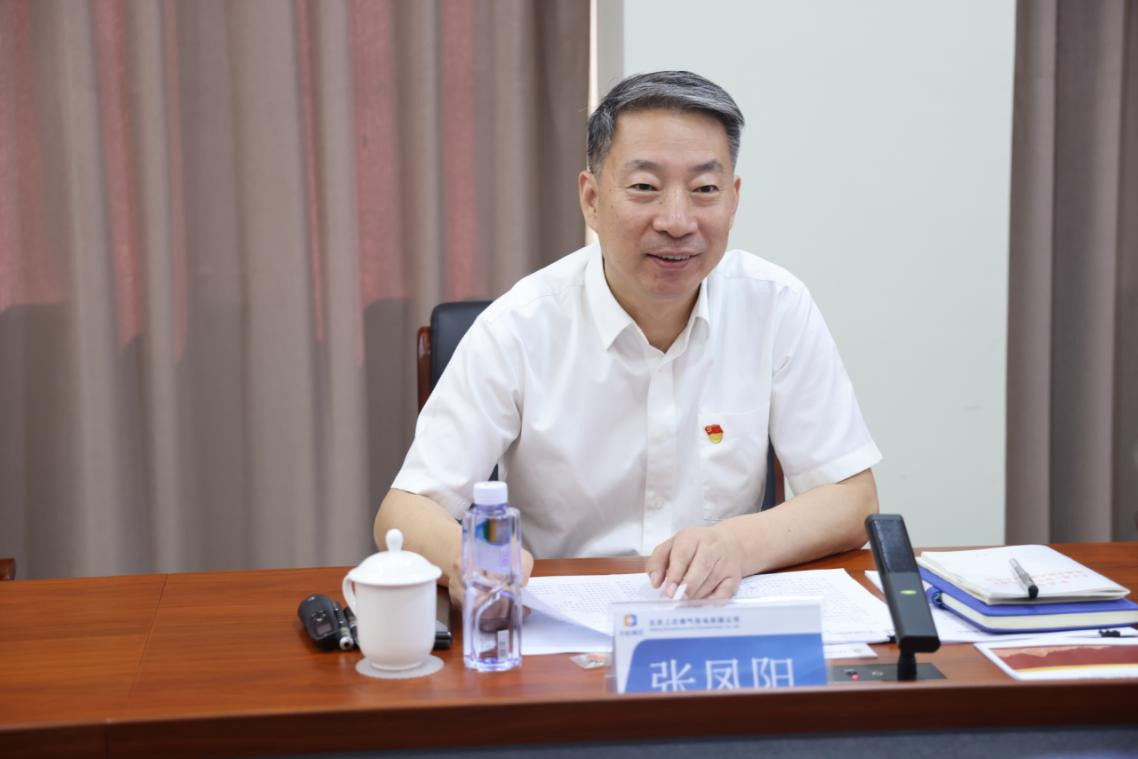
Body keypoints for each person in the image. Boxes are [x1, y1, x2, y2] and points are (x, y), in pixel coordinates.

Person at [374, 70, 881, 604]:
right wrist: (472, 560)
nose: (677, 221)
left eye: (704, 190)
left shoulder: (775, 305)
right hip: (566, 627)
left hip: (718, 619)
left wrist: (737, 544)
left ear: (733, 200)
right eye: (644, 188)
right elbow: (405, 510)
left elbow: (851, 499)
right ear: (591, 199)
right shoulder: (519, 327)